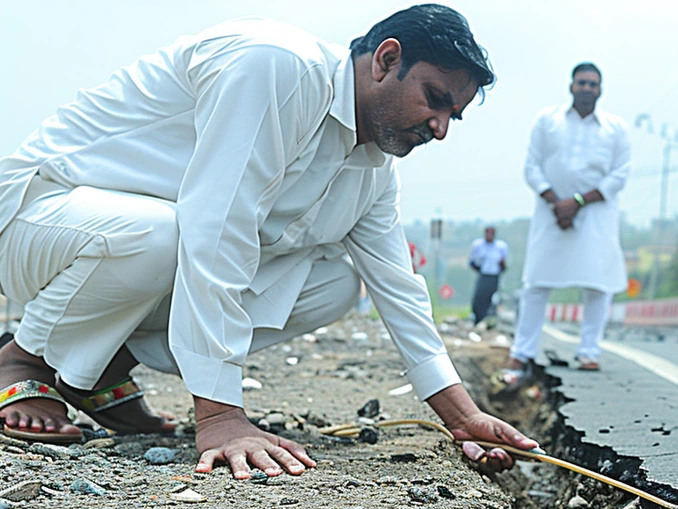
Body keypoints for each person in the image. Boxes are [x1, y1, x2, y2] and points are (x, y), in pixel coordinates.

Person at [0, 5, 537, 476]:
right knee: (165, 235)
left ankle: (99, 371)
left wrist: (464, 418)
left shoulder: (371, 170)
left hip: (128, 250)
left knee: (335, 282)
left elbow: (399, 290)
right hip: (42, 214)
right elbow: (217, 227)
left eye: (453, 116)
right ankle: (24, 361)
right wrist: (221, 417)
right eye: (435, 100)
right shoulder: (277, 67)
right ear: (386, 60)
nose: (440, 128)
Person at [510, 62, 630, 372]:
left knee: (597, 283)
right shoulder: (547, 121)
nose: (587, 88)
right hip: (550, 211)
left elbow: (620, 175)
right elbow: (532, 166)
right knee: (536, 281)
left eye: (593, 84)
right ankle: (522, 352)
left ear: (600, 89)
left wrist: (577, 203)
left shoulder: (616, 128)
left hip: (597, 213)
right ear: (571, 86)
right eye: (582, 83)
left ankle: (589, 351)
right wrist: (556, 203)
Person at [467, 226, 507, 324]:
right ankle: (477, 318)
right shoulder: (478, 245)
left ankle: (488, 319)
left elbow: (503, 264)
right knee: (479, 297)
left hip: (494, 276)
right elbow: (472, 261)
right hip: (483, 275)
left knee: (492, 298)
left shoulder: (500, 247)